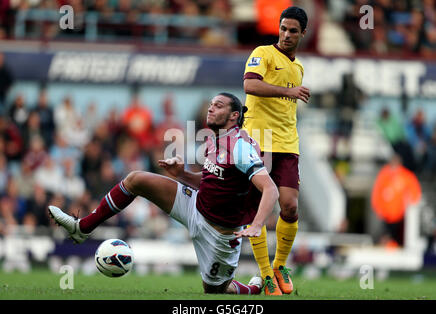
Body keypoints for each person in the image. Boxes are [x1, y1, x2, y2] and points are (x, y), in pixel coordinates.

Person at [48, 93, 279, 295]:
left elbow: (270, 189)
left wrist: (258, 225)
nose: (211, 108)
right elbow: (211, 183)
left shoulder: (240, 147)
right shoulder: (213, 141)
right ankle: (82, 228)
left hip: (219, 235)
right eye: (211, 104)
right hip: (195, 206)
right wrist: (181, 174)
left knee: (215, 291)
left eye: (218, 105)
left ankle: (254, 289)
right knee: (136, 179)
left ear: (233, 116)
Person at [242, 6, 310, 295]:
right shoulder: (263, 53)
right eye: (283, 28)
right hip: (258, 140)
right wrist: (288, 91)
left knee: (290, 206)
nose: (286, 35)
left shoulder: (299, 67)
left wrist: (290, 93)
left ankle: (280, 265)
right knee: (258, 208)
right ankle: (265, 274)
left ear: (302, 33)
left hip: (287, 144)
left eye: (293, 31)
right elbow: (249, 85)